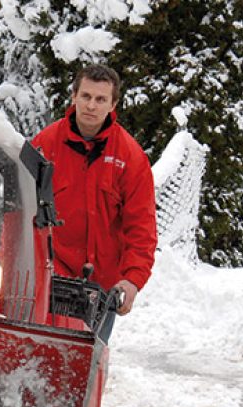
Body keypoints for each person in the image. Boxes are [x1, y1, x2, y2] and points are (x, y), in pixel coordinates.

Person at [31, 64, 157, 340]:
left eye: (101, 99)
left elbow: (142, 226)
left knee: (85, 364)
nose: (91, 105)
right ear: (74, 96)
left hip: (100, 288)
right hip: (51, 277)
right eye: (86, 96)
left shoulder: (130, 158)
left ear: (113, 105)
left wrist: (133, 280)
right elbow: (21, 209)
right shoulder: (45, 145)